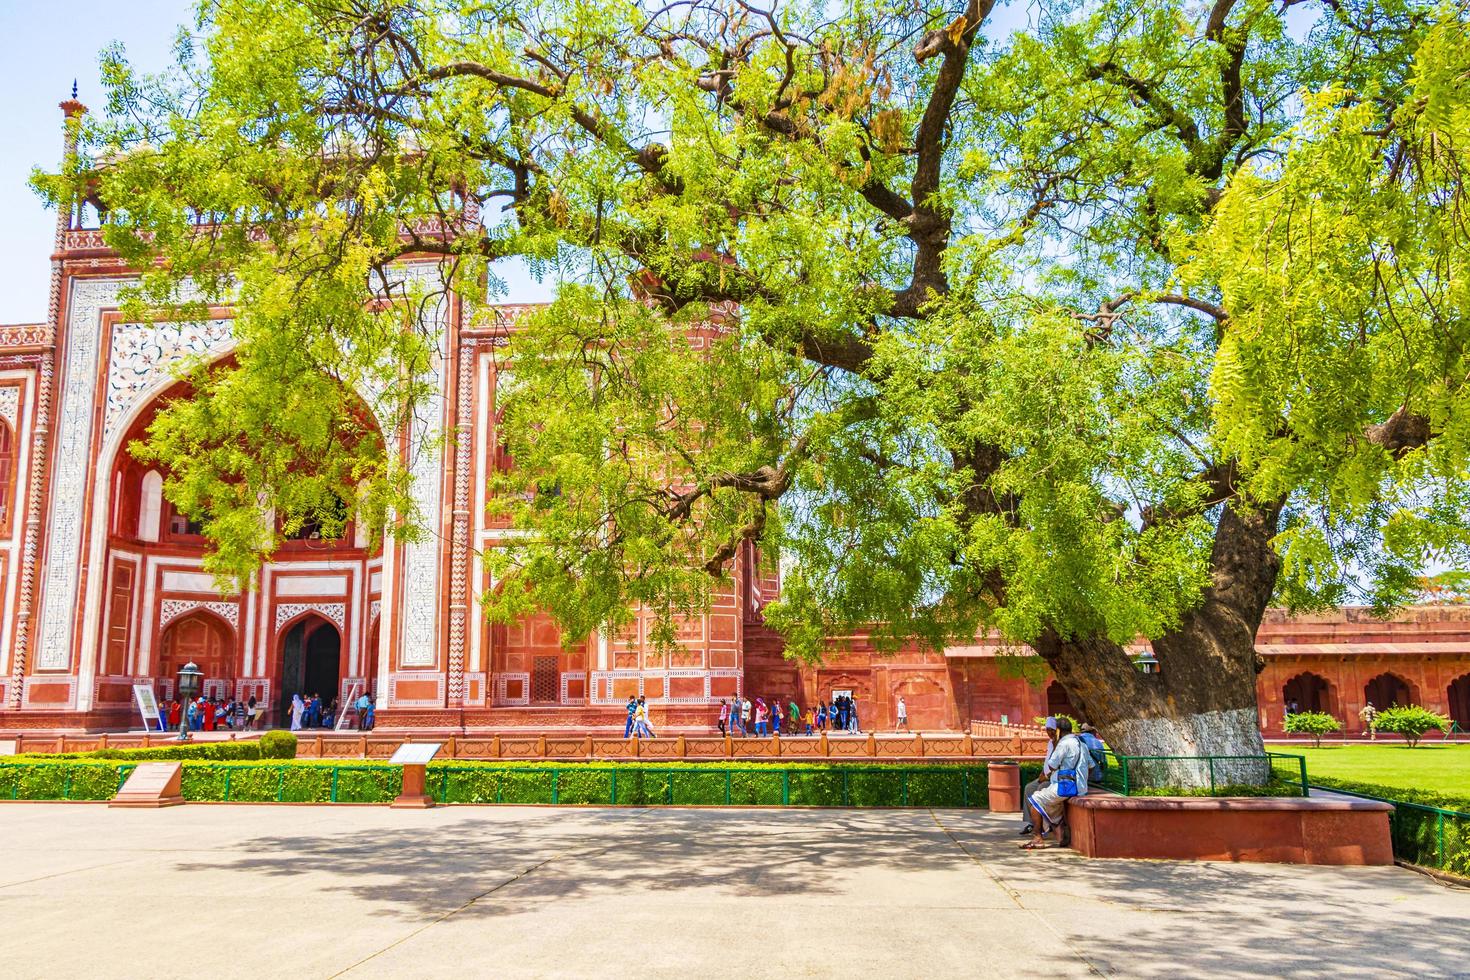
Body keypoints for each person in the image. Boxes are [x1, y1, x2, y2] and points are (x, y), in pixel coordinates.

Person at [1021, 717, 1089, 850]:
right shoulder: (1082, 744)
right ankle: (1060, 830)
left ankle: (1037, 838)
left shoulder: (1063, 744)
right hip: (1082, 788)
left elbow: (1051, 766)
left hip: (1067, 787)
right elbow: (1091, 767)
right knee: (1051, 802)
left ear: (1058, 730)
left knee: (1035, 799)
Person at [1019, 717, 1060, 835]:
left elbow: (1058, 765)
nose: (1049, 733)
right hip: (1046, 776)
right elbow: (1048, 761)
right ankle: (1031, 823)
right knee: (1028, 788)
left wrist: (1046, 777)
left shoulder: (1060, 743)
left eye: (1052, 730)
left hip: (1053, 778)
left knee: (1039, 789)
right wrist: (1043, 772)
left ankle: (1043, 825)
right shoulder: (1050, 743)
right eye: (1047, 730)